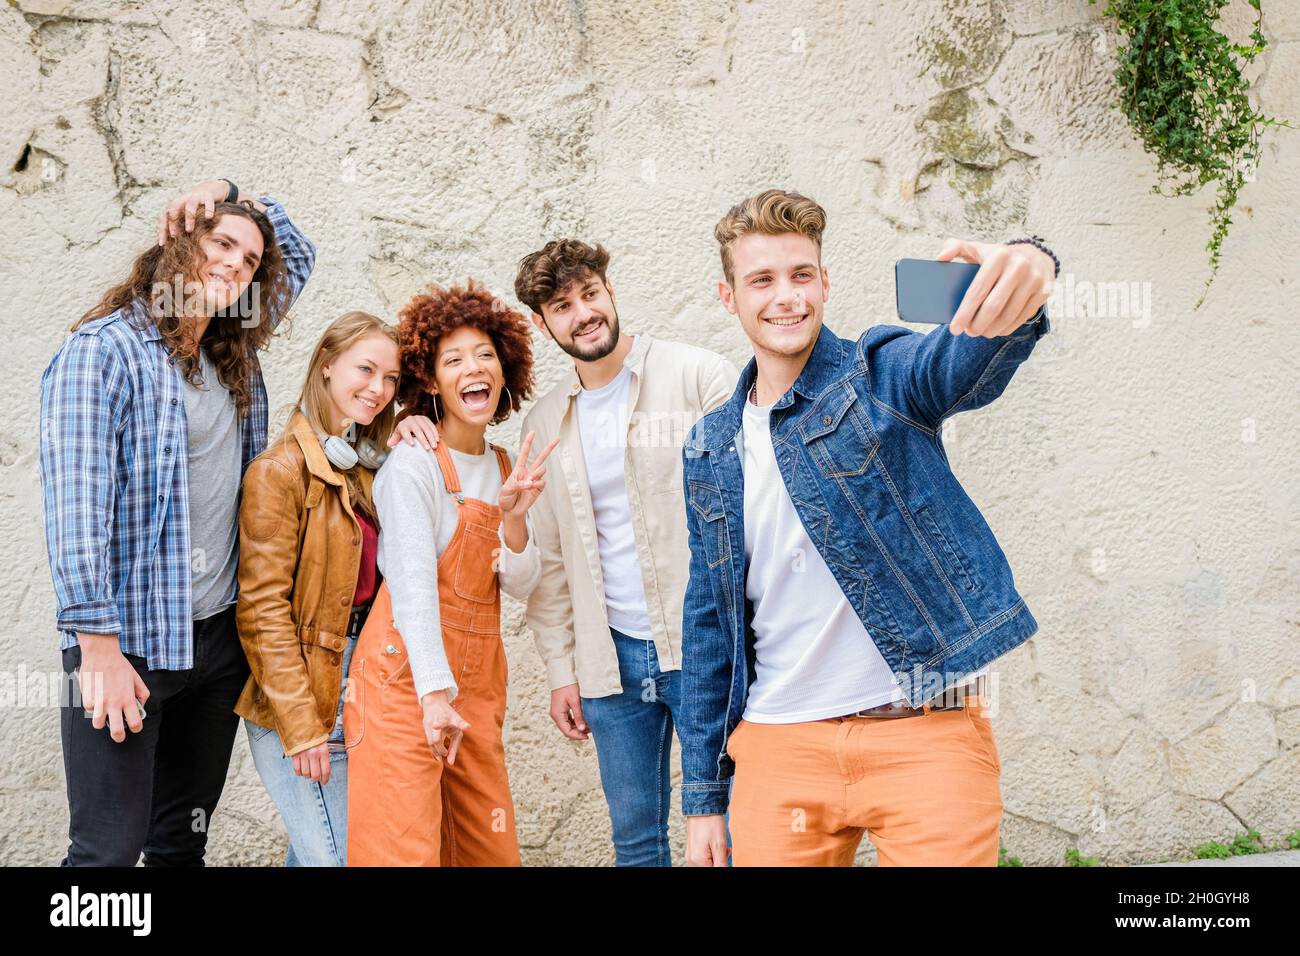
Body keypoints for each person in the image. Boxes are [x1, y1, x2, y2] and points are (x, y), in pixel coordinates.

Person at [680, 188, 1060, 867]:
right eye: (761, 280)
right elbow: (708, 621)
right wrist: (705, 797)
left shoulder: (881, 375)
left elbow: (961, 358)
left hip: (921, 737)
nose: (786, 297)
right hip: (776, 747)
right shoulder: (709, 446)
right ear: (728, 295)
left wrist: (1028, 269)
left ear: (825, 283)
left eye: (801, 275)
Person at [39, 178, 314, 866]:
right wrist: (96, 647)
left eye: (249, 260)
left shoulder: (229, 349)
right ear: (179, 241)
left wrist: (229, 190)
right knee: (106, 853)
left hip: (216, 645)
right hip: (125, 646)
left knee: (180, 843)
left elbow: (299, 252)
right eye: (220, 242)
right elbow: (75, 506)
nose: (235, 264)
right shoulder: (103, 350)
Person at [514, 239, 738, 866]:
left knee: (727, 836)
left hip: (707, 651)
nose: (582, 313)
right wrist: (563, 671)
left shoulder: (699, 377)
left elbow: (757, 518)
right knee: (637, 840)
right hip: (610, 661)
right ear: (543, 322)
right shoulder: (545, 422)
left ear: (610, 292)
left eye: (590, 294)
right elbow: (550, 560)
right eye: (562, 305)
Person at [345, 279, 557, 866]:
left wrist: (513, 519)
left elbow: (518, 583)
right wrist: (434, 696)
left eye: (486, 354)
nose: (474, 368)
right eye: (454, 359)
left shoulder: (508, 465)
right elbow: (411, 586)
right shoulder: (413, 464)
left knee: (487, 849)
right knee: (403, 850)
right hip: (403, 687)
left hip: (476, 690)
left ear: (505, 369)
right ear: (431, 381)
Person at [234, 311, 439, 867]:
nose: (378, 389)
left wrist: (414, 425)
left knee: (320, 852)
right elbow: (261, 613)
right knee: (344, 857)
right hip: (304, 696)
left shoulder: (368, 467)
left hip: (368, 683)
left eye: (391, 379)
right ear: (326, 365)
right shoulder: (278, 473)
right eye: (365, 370)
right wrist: (302, 730)